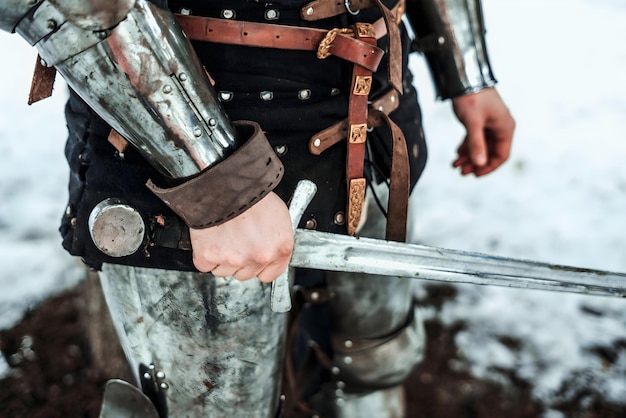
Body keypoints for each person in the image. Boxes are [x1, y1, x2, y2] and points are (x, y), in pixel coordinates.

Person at [1, 0, 515, 416]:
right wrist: (219, 184)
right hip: (181, 142)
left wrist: (467, 71)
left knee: (375, 363)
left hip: (372, 118)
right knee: (214, 407)